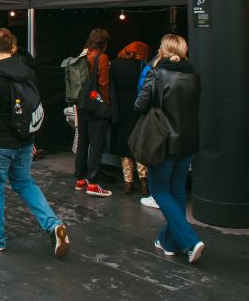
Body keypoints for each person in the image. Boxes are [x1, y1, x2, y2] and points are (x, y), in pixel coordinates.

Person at [0, 28, 70, 258]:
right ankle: (53, 224)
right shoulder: (28, 72)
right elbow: (33, 106)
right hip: (24, 141)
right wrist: (31, 137)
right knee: (25, 184)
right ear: (13, 47)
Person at [136, 34, 204, 263]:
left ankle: (190, 241)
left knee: (159, 191)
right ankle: (168, 242)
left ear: (162, 49)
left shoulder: (156, 74)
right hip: (188, 141)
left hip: (163, 142)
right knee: (176, 192)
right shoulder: (194, 76)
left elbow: (140, 104)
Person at [74, 28, 114, 197]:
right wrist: (106, 103)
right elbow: (103, 84)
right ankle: (94, 183)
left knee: (82, 142)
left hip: (81, 104)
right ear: (104, 43)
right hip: (95, 105)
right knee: (96, 144)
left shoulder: (83, 55)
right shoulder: (102, 57)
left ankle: (81, 179)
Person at [110, 41, 150, 195]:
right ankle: (144, 181)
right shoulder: (142, 66)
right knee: (139, 145)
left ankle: (127, 182)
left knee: (125, 146)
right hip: (138, 108)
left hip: (120, 109)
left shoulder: (114, 65)